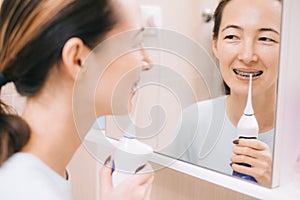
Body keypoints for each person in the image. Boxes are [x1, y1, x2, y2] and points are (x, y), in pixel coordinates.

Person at [0, 0, 154, 199]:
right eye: (135, 43)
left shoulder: (39, 176)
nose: (148, 61)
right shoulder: (27, 190)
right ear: (78, 60)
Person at [162, 0, 281, 187]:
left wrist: (281, 189)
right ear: (215, 44)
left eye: (265, 39)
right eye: (233, 36)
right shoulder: (193, 121)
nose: (247, 56)